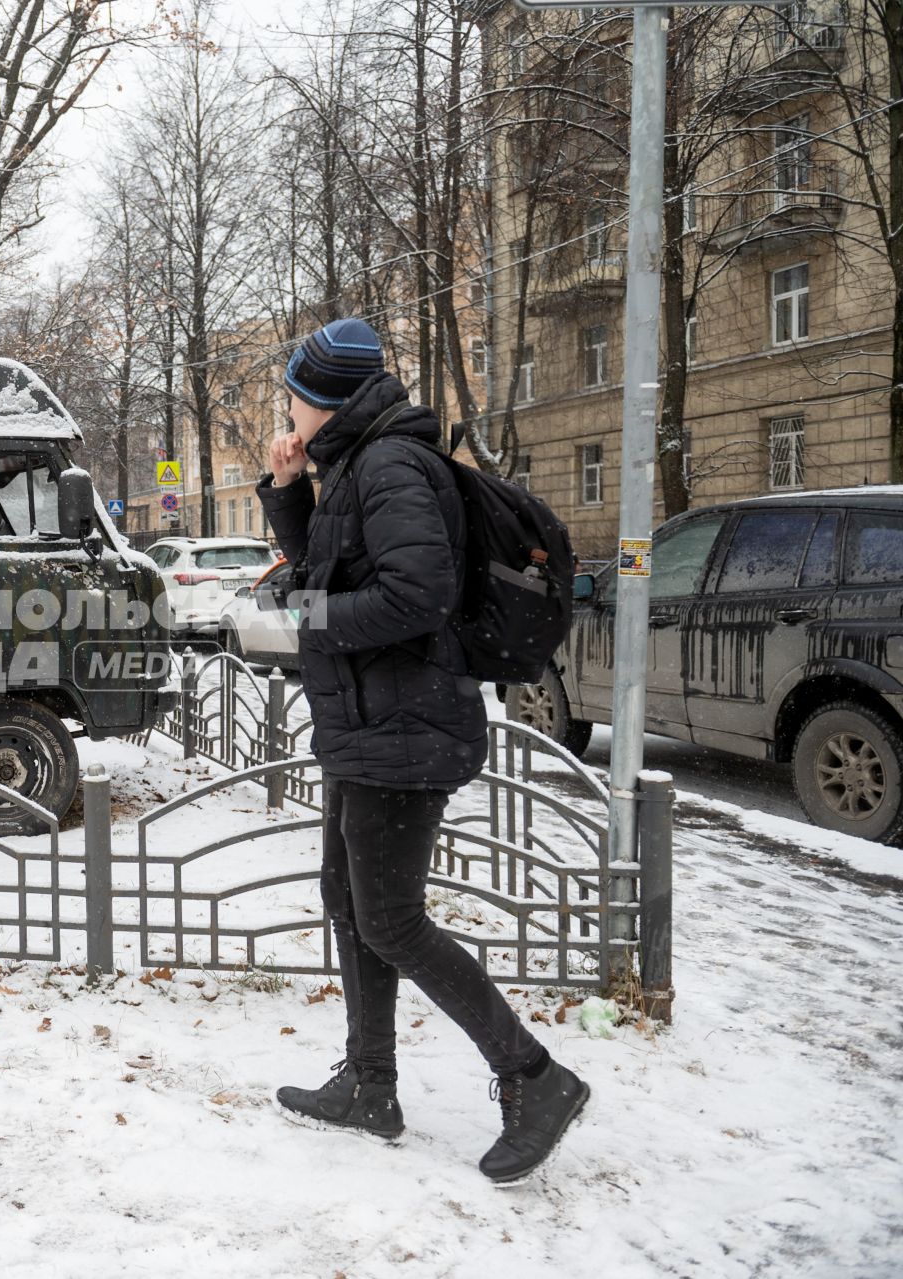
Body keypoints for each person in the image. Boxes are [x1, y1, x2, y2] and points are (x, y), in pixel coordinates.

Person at [256, 317, 589, 1184]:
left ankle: (534, 1076)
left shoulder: (392, 465)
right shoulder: (356, 464)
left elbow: (419, 592)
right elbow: (328, 566)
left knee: (392, 919)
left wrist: (311, 616)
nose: (286, 406)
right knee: (349, 898)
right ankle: (371, 1084)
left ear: (323, 397)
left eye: (294, 391)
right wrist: (289, 490)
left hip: (407, 727)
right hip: (369, 724)